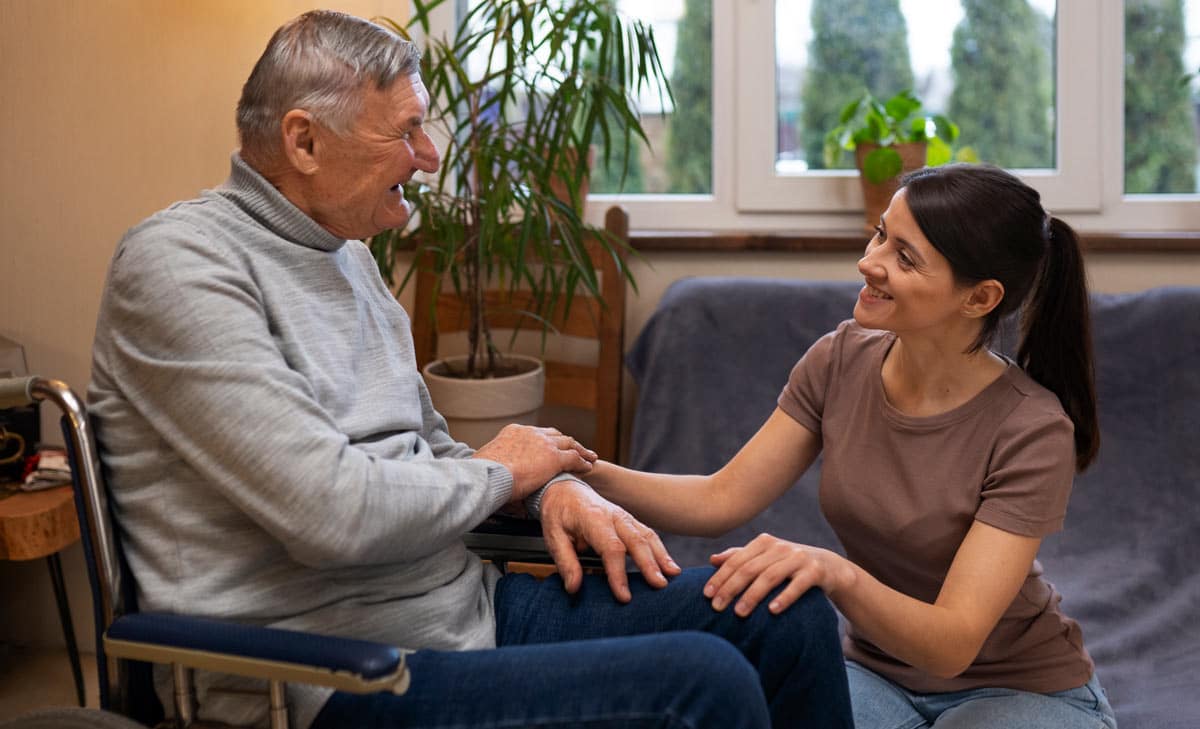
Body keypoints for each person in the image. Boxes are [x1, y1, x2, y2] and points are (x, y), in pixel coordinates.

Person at [87, 10, 852, 729]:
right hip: (327, 672)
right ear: (304, 141)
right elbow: (332, 512)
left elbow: (429, 458)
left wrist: (548, 489)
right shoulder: (180, 267)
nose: (429, 157)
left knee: (787, 612)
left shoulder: (349, 257)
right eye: (407, 131)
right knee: (703, 684)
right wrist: (502, 473)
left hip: (462, 616)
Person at [586, 164, 1119, 729]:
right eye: (880, 233)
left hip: (1020, 687)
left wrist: (836, 572)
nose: (870, 262)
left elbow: (952, 643)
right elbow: (721, 498)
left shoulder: (1032, 429)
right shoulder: (840, 358)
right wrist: (575, 467)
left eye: (906, 257)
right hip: (877, 673)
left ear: (980, 297)